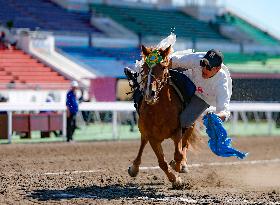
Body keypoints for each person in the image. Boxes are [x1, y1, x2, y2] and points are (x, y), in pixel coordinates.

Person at [124, 48, 232, 130]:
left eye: (208, 67)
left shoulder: (221, 82)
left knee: (184, 122)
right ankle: (138, 76)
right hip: (188, 79)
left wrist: (215, 117)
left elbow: (224, 111)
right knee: (163, 66)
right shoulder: (197, 59)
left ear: (217, 69)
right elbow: (174, 61)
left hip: (202, 97)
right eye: (203, 63)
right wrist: (153, 63)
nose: (204, 68)